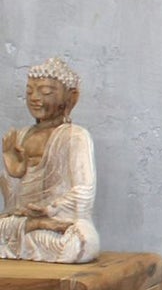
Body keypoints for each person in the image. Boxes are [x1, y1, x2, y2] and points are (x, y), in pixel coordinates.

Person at [0, 57, 99, 264]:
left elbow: (84, 192)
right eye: (29, 92)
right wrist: (14, 175)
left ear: (71, 98)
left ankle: (40, 226)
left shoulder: (75, 136)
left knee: (81, 242)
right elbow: (14, 206)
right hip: (24, 225)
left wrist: (51, 210)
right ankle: (37, 226)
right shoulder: (21, 135)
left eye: (45, 92)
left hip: (59, 224)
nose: (35, 98)